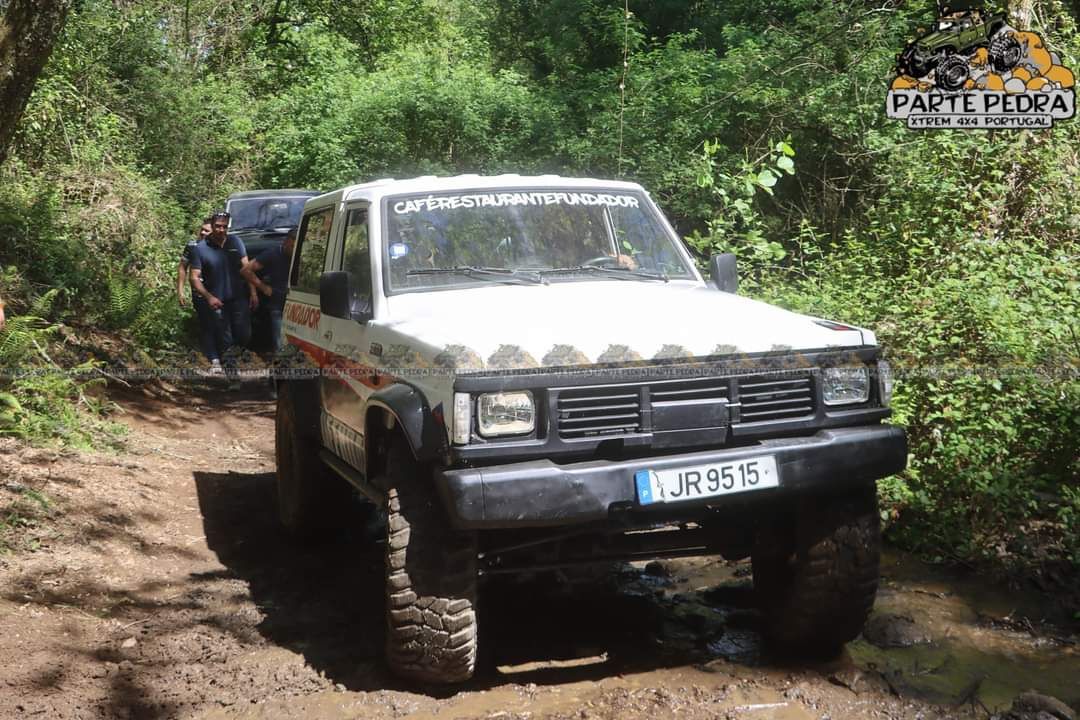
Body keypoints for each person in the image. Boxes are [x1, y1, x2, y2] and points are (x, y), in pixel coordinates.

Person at [189, 211, 257, 379]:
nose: (221, 230)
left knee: (243, 334)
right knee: (225, 338)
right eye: (217, 226)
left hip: (239, 298)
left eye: (224, 227)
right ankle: (233, 375)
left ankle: (234, 358)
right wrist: (208, 296)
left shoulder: (236, 242)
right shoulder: (200, 249)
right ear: (211, 226)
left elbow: (246, 269)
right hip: (217, 301)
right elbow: (194, 277)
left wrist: (253, 292)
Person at [240, 226, 296, 352]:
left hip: (299, 306)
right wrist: (263, 288)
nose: (294, 251)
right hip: (278, 305)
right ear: (286, 242)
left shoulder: (304, 254)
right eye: (292, 247)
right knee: (280, 344)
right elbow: (245, 270)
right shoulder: (273, 254)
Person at [177, 218, 212, 307]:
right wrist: (180, 291)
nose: (203, 232)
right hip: (198, 293)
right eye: (202, 229)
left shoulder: (220, 246)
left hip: (216, 291)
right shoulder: (191, 246)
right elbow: (182, 267)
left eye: (206, 231)